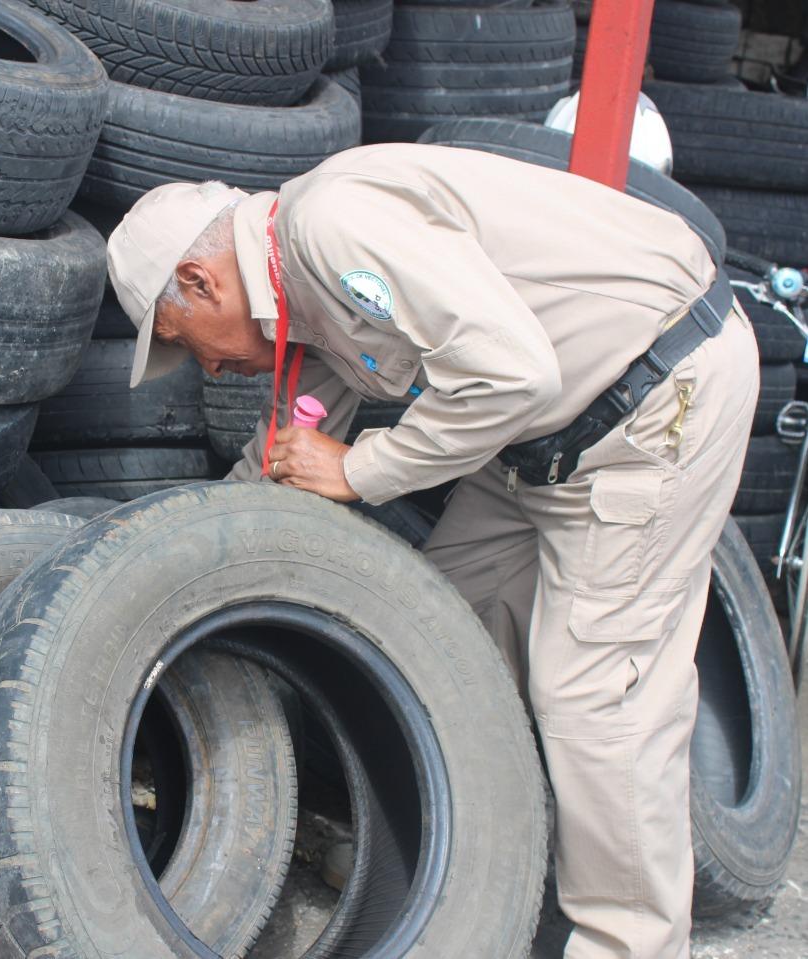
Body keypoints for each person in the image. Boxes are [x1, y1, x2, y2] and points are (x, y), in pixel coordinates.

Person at [105, 143, 758, 959]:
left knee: (594, 695)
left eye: (186, 339)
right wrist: (160, 568)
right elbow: (281, 459)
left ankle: (631, 942)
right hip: (534, 443)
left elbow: (512, 374)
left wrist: (361, 470)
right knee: (441, 644)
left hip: (654, 401)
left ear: (202, 281)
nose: (206, 364)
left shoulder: (334, 229)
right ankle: (473, 882)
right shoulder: (295, 301)